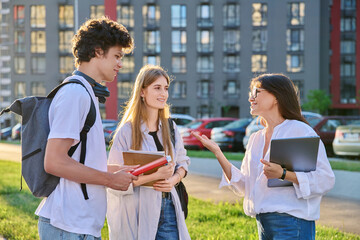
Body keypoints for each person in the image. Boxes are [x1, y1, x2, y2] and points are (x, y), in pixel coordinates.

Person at [192, 73, 335, 240]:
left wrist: (283, 174)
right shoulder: (256, 138)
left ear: (276, 97)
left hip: (292, 223)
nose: (251, 98)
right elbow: (245, 185)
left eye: (257, 92)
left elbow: (325, 179)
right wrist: (218, 153)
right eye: (251, 93)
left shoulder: (299, 130)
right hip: (263, 224)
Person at [35, 17, 138, 239]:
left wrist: (115, 173)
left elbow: (79, 159)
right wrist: (110, 180)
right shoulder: (75, 94)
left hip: (77, 225)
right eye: (117, 56)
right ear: (98, 52)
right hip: (68, 225)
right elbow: (54, 162)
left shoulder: (84, 91)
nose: (120, 63)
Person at [106, 65, 191, 240]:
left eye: (166, 88)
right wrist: (154, 176)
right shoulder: (126, 132)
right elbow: (114, 179)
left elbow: (183, 162)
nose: (164, 94)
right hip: (138, 209)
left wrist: (173, 180)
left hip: (168, 207)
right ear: (142, 92)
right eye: (157, 88)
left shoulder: (171, 127)